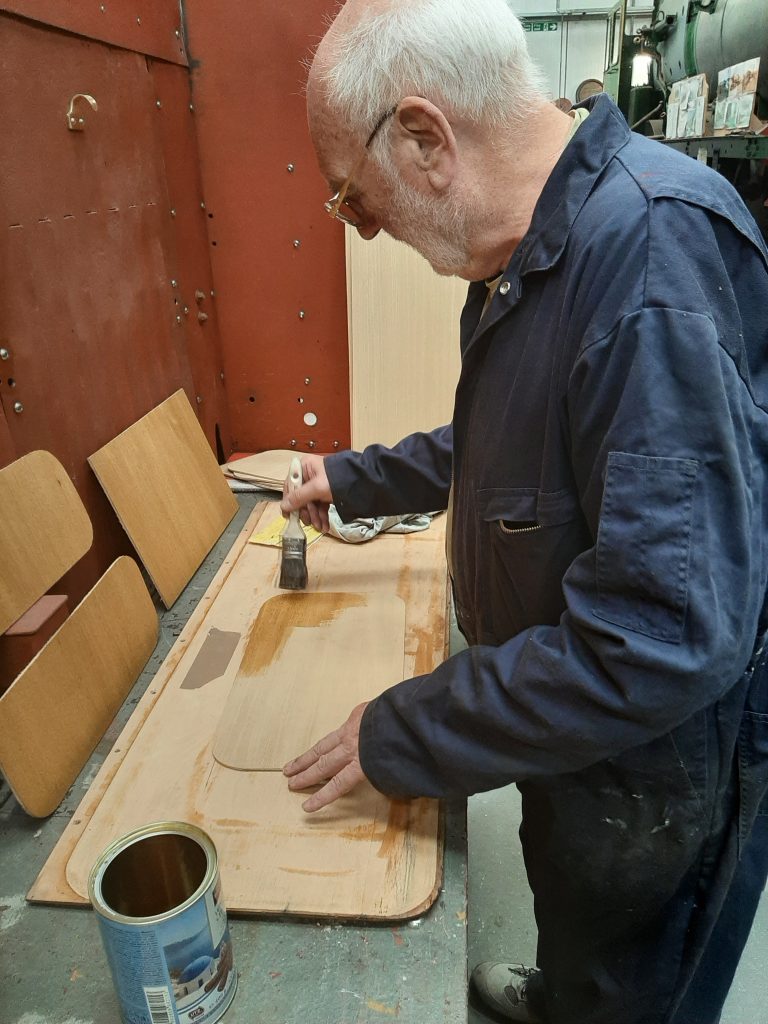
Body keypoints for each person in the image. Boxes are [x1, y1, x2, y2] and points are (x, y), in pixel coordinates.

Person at [279, 1, 768, 1021]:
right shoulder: (535, 250)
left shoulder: (646, 266)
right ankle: (567, 988)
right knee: (578, 916)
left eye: (353, 200)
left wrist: (406, 728)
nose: (365, 229)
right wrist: (361, 479)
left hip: (654, 769)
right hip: (577, 735)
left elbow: (657, 639)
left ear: (424, 140)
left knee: (636, 973)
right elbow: (523, 450)